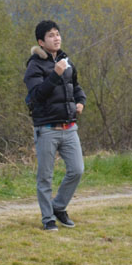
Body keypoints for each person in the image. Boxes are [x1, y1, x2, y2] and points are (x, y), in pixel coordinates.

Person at [24, 19, 87, 232]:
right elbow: (37, 96)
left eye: (58, 33)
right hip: (47, 129)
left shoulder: (65, 60)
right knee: (45, 177)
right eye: (51, 35)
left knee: (77, 170)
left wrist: (80, 102)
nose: (56, 37)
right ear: (41, 42)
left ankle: (58, 206)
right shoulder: (34, 65)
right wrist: (55, 74)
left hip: (69, 128)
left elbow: (77, 88)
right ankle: (48, 219)